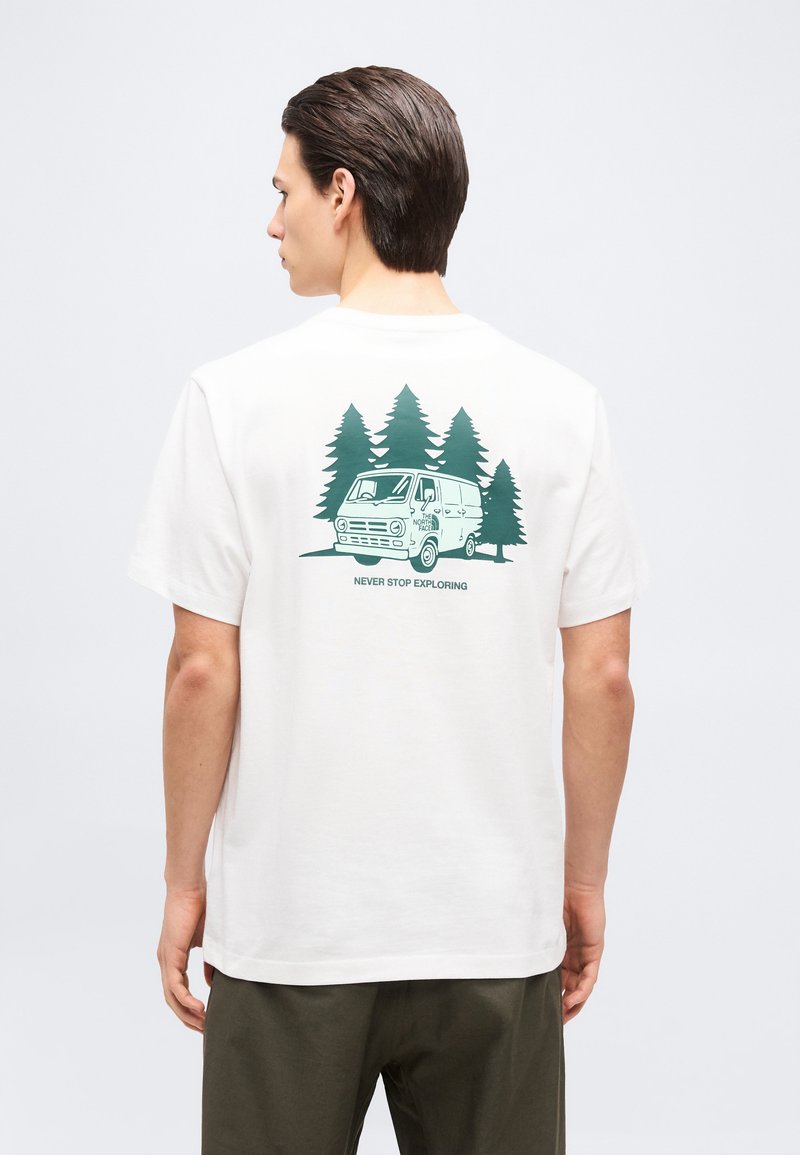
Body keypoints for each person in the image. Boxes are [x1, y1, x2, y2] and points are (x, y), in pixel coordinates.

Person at [127, 64, 652, 1155]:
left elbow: (200, 669)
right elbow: (603, 675)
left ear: (343, 193)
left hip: (294, 931)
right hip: (491, 929)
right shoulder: (565, 408)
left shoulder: (231, 400)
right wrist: (581, 880)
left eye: (283, 190)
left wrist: (183, 880)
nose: (270, 222)